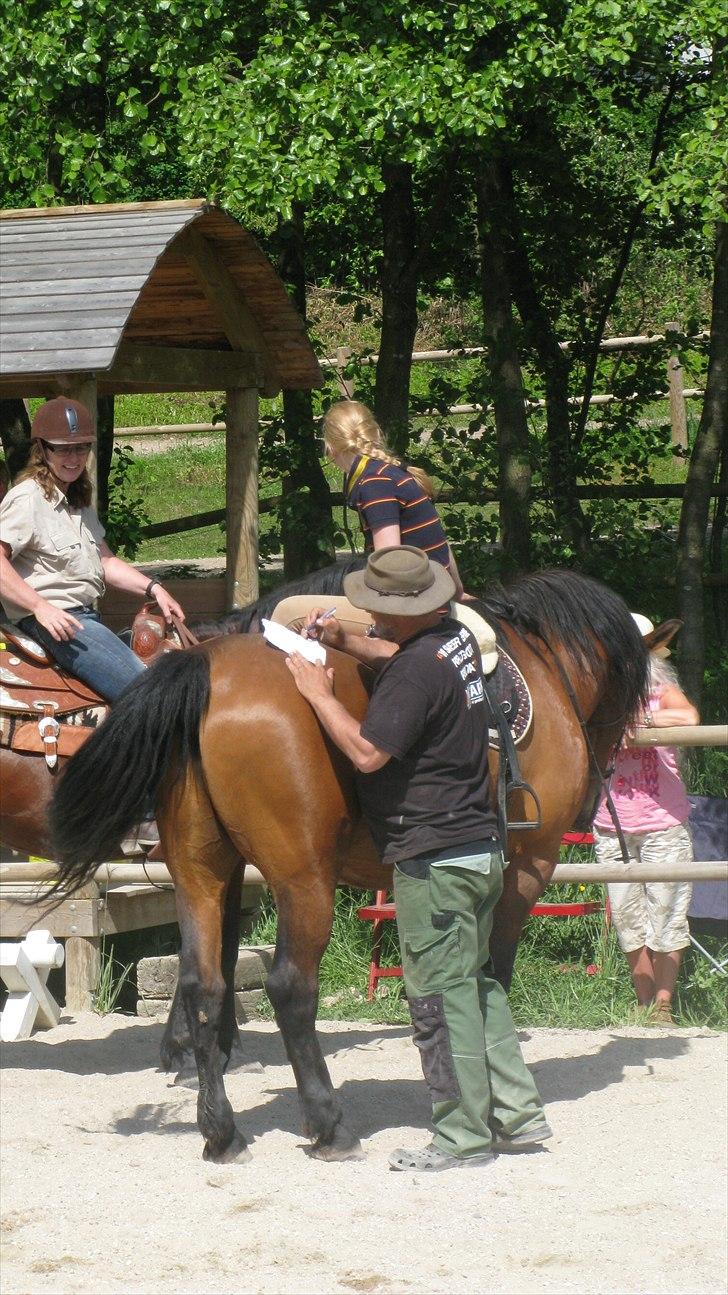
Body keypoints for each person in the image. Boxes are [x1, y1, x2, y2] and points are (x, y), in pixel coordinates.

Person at [285, 545, 549, 1172]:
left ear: (399, 612)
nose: (372, 619)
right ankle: (518, 1112)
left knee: (436, 1001)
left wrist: (317, 693)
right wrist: (343, 639)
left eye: (377, 611)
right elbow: (397, 656)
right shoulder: (454, 641)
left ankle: (461, 1137)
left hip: (433, 858)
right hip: (478, 848)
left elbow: (368, 753)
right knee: (476, 985)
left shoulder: (413, 674)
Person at [0, 397, 185, 702]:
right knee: (146, 695)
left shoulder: (76, 502)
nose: (74, 458)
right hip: (58, 623)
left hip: (84, 618)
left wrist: (154, 589)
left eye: (81, 448)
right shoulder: (27, 499)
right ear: (42, 450)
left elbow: (105, 561)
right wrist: (40, 607)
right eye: (63, 449)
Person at [593, 614, 699, 1024]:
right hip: (613, 824)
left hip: (663, 822)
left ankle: (664, 1004)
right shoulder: (599, 699)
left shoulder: (661, 692)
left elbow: (688, 718)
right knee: (627, 916)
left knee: (668, 911)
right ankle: (644, 1003)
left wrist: (639, 723)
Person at [323, 399, 465, 598]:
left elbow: (389, 562)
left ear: (330, 447)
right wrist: (457, 591)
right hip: (436, 591)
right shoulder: (390, 472)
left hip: (419, 600)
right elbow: (441, 541)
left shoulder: (374, 483)